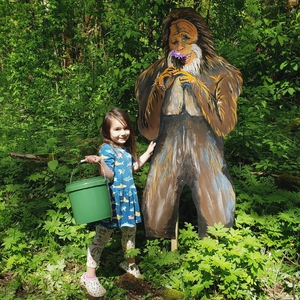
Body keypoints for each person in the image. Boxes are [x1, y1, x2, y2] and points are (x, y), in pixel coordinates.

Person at [135, 8, 243, 239]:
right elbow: (147, 130)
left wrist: (196, 86)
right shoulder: (152, 74)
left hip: (207, 146)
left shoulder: (221, 72)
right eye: (174, 40)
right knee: (156, 209)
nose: (180, 46)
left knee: (218, 211)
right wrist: (158, 90)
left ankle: (217, 253)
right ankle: (160, 255)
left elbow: (226, 125)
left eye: (186, 38)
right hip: (167, 145)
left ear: (200, 40)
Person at [80, 107, 156, 298]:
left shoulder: (124, 150)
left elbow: (132, 168)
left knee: (130, 233)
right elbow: (109, 176)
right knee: (102, 237)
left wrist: (148, 152)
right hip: (114, 203)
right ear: (107, 132)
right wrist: (100, 162)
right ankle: (89, 276)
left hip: (127, 201)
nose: (123, 133)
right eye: (117, 129)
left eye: (125, 128)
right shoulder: (107, 149)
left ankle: (129, 264)